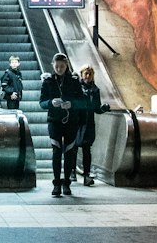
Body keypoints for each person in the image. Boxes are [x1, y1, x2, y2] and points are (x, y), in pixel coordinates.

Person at [39, 52, 90, 197]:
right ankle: (56, 184)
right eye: (57, 66)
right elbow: (42, 102)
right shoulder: (48, 81)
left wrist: (72, 104)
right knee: (56, 151)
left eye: (62, 66)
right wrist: (51, 103)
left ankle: (67, 183)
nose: (59, 69)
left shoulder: (74, 82)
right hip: (54, 121)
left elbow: (82, 101)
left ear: (66, 66)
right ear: (53, 66)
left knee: (69, 152)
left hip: (71, 122)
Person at [78, 65, 111, 185]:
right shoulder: (76, 87)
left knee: (87, 149)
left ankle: (86, 175)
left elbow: (96, 108)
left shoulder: (95, 90)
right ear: (81, 74)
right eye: (86, 73)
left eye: (90, 74)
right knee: (72, 148)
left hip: (88, 123)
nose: (88, 76)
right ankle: (71, 172)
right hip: (77, 122)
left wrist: (103, 109)